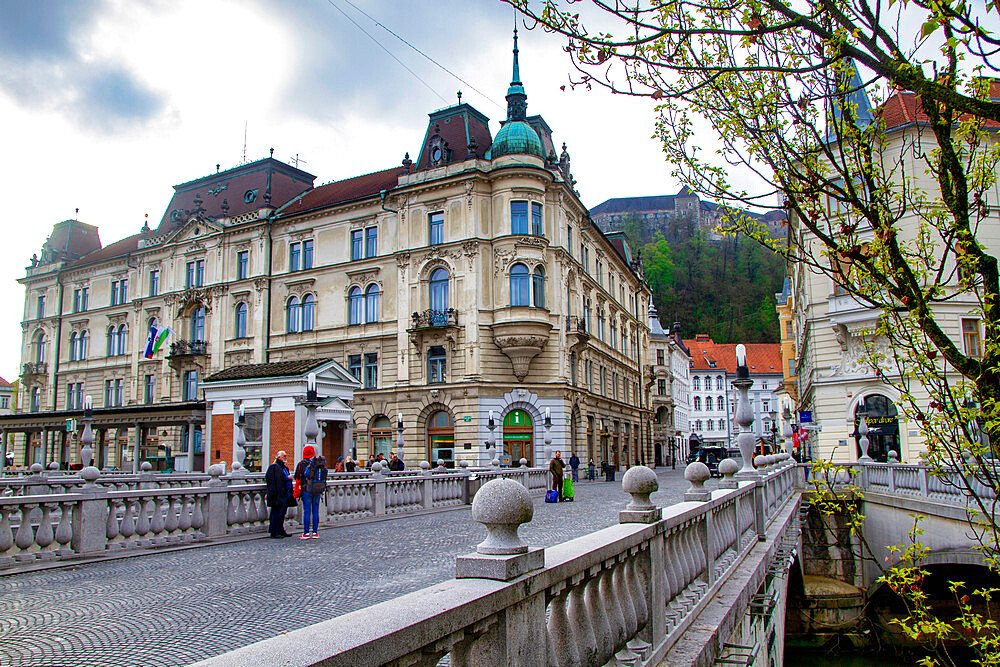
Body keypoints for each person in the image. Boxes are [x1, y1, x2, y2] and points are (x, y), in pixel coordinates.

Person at [294, 445, 326, 539]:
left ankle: (306, 533)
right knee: (315, 511)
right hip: (317, 489)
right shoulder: (318, 463)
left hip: (306, 489)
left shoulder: (302, 463)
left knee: (307, 511)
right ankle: (315, 532)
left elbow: (297, 476)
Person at [264, 451, 292, 538]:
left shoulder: (283, 468)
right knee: (277, 513)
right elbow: (274, 480)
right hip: (278, 493)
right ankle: (274, 531)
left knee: (282, 513)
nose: (285, 457)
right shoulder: (275, 467)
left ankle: (280, 529)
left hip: (285, 492)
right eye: (284, 456)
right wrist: (287, 478)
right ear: (279, 457)